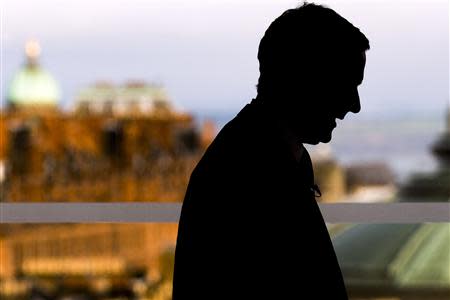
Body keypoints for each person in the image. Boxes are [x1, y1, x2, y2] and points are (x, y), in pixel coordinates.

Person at [172, 3, 369, 299]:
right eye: (346, 83)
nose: (354, 104)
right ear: (308, 78)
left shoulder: (253, 156)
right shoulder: (247, 174)